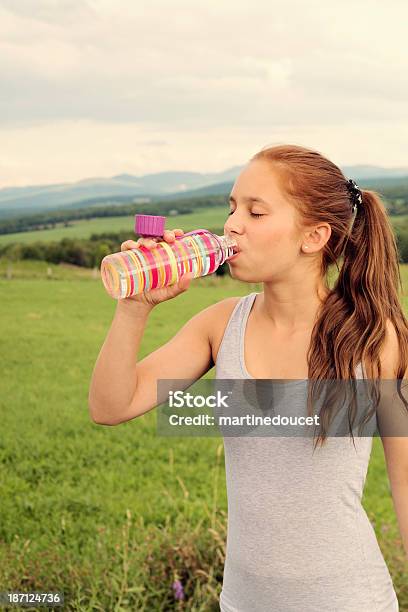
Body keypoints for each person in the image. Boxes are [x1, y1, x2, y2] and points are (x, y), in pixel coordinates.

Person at [88, 144, 408, 611]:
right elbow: (110, 407)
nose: (232, 225)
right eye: (232, 208)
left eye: (256, 213)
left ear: (314, 236)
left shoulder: (375, 340)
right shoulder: (220, 326)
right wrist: (134, 307)